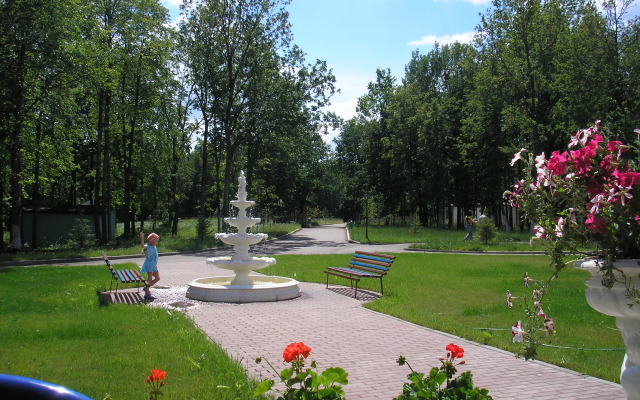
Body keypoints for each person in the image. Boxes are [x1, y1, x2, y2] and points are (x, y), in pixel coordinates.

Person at [140, 231, 160, 300]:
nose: (157, 242)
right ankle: (147, 293)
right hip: (149, 265)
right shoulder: (148, 246)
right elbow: (143, 246)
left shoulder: (154, 247)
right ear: (152, 241)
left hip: (154, 266)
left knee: (157, 278)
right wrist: (142, 238)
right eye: (156, 241)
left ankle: (146, 288)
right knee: (149, 279)